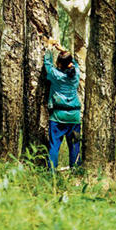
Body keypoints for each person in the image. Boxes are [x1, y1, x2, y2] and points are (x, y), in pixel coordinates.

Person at [43, 37, 81, 171]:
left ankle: (51, 171)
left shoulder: (55, 75)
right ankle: (75, 169)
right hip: (74, 117)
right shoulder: (76, 73)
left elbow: (47, 64)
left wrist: (49, 48)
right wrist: (63, 50)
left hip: (58, 116)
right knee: (75, 145)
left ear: (59, 64)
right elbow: (73, 62)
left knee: (54, 146)